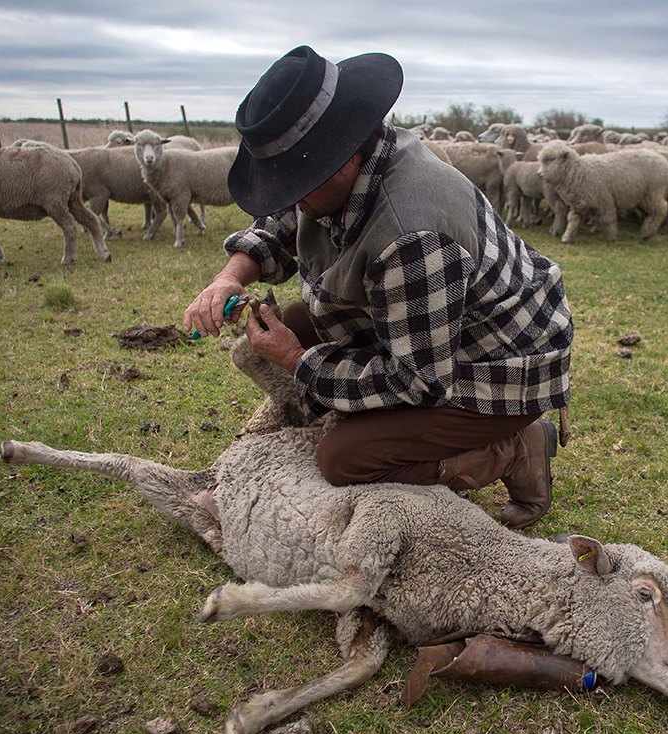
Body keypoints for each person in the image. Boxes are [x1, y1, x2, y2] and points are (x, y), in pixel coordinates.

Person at [183, 46, 572, 529]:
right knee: (300, 325)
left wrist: (296, 360)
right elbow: (280, 222)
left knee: (345, 459)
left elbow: (420, 381)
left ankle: (512, 448)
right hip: (434, 330)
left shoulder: (413, 235)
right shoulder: (355, 160)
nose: (293, 201)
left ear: (342, 159)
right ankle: (347, 416)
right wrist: (230, 276)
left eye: (297, 184)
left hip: (497, 366)